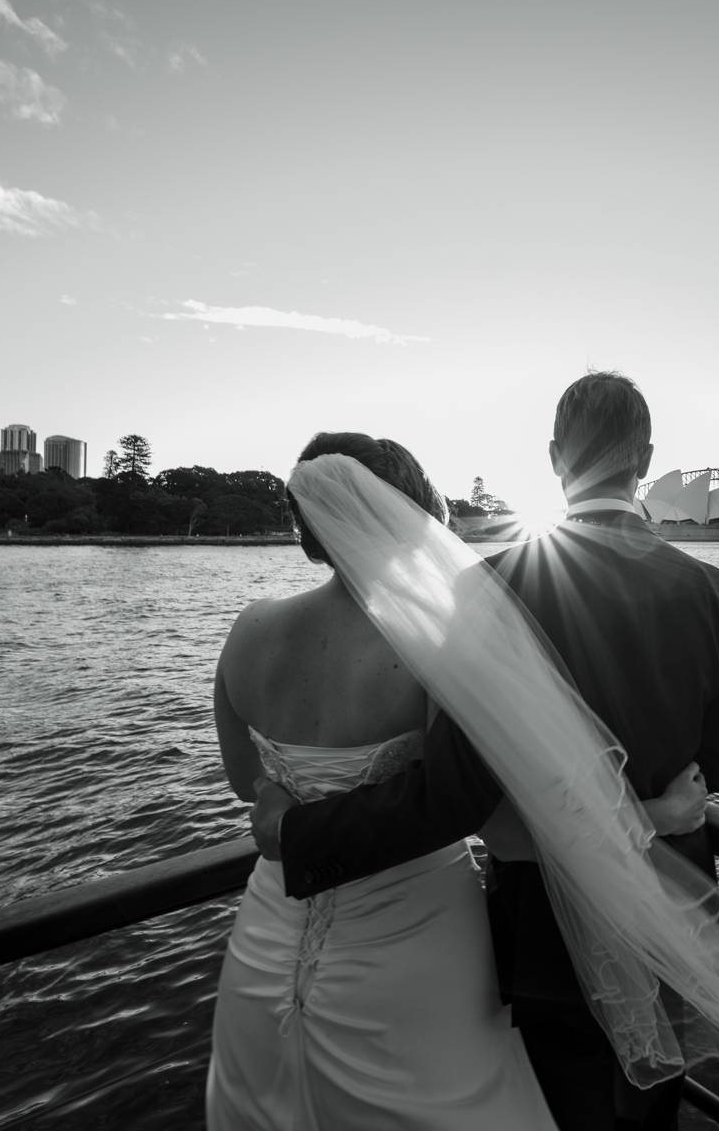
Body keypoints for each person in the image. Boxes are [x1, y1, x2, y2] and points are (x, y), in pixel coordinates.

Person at [254, 373, 719, 1131]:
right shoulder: (710, 589)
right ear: (645, 458)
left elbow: (452, 796)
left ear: (554, 459)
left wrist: (297, 836)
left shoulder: (492, 583)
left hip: (540, 929)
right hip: (668, 911)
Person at [206, 432, 556, 1130]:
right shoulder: (434, 645)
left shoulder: (250, 631)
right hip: (415, 952)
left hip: (264, 945)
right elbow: (494, 822)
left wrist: (284, 803)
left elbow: (249, 786)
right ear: (410, 514)